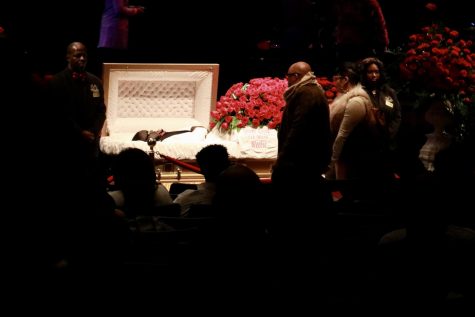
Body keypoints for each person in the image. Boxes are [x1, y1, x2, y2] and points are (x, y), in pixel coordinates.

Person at [47, 42, 106, 184]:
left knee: (89, 182)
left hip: (90, 145)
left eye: (84, 55)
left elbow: (101, 110)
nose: (82, 59)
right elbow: (58, 113)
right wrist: (80, 133)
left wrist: (94, 131)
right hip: (67, 144)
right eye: (77, 55)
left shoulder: (95, 81)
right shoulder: (57, 82)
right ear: (68, 57)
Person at [328, 61, 386, 182]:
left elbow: (342, 135)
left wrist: (330, 162)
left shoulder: (356, 101)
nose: (334, 82)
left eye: (336, 79)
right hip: (345, 156)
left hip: (355, 157)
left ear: (345, 79)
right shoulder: (344, 99)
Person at [173, 144, 231, 217]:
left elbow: (170, 218)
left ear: (202, 170)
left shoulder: (187, 198)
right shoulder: (238, 200)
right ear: (228, 166)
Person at [97, 0, 145, 72]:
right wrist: (136, 10)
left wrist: (132, 7)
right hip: (113, 32)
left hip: (113, 32)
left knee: (113, 63)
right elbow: (119, 10)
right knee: (112, 64)